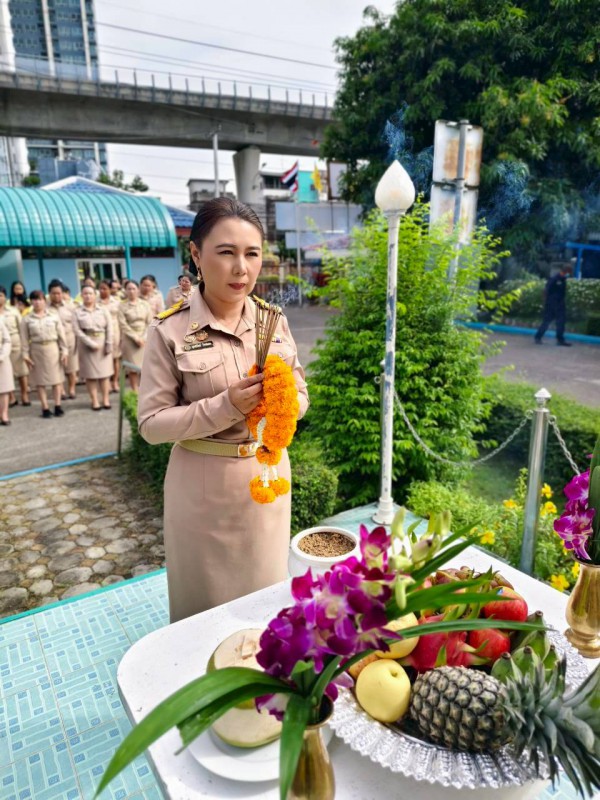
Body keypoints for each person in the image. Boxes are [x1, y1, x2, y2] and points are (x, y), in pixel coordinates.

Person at [138, 197, 309, 623]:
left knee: (266, 604)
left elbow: (302, 393)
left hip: (267, 480)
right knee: (205, 613)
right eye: (226, 252)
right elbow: (151, 425)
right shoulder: (170, 330)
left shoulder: (273, 321)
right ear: (196, 254)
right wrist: (226, 406)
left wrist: (285, 402)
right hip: (203, 490)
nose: (241, 268)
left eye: (252, 254)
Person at [20, 290, 68, 418]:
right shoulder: (26, 319)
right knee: (40, 381)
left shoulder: (53, 316)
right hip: (36, 350)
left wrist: (64, 351)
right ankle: (45, 407)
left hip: (52, 348)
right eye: (34, 300)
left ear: (44, 301)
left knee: (56, 380)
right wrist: (25, 355)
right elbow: (24, 340)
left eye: (39, 299)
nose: (37, 302)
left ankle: (58, 406)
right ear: (31, 302)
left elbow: (61, 336)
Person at [73, 285, 113, 410]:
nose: (88, 296)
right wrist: (90, 343)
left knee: (104, 374)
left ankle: (105, 399)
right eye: (85, 293)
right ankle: (94, 400)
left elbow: (110, 327)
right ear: (81, 295)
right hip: (86, 345)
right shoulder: (77, 311)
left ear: (95, 295)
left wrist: (108, 343)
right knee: (90, 376)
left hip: (102, 343)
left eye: (90, 293)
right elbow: (76, 330)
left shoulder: (103, 310)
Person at [118, 280, 153, 391]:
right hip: (129, 340)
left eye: (134, 288)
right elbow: (123, 324)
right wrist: (135, 337)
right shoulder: (122, 306)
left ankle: (145, 392)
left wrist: (143, 337)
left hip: (144, 338)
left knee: (145, 368)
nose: (131, 291)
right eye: (129, 289)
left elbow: (150, 322)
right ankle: (134, 392)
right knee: (132, 370)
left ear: (138, 290)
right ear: (125, 290)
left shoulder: (145, 304)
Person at [47, 280, 78, 399]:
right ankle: (61, 390)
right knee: (57, 367)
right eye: (54, 293)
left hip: (70, 338)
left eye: (59, 293)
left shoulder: (71, 307)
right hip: (54, 341)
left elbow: (76, 323)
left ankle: (72, 388)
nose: (57, 296)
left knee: (72, 367)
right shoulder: (46, 308)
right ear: (49, 293)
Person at [0, 285, 30, 406]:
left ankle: (24, 394)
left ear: (5, 297)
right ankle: (12, 397)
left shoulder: (13, 311)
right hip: (1, 347)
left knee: (22, 371)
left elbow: (21, 328)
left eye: (0, 295)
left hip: (15, 343)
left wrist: (24, 346)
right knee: (6, 373)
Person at [534, 263, 573, 346]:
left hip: (560, 304)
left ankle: (560, 339)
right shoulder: (555, 278)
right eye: (569, 272)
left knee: (561, 322)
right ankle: (538, 337)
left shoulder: (563, 279)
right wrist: (546, 302)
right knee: (547, 321)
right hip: (551, 304)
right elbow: (546, 290)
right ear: (566, 271)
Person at [99, 280, 122, 392]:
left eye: (105, 288)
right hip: (102, 333)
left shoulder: (117, 302)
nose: (102, 291)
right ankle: (106, 382)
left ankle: (115, 381)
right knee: (104, 358)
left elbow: (120, 318)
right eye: (101, 288)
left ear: (110, 289)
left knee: (115, 358)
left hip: (115, 332)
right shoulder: (96, 302)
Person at [0, 317, 14, 425]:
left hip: (2, 358)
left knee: (4, 388)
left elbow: (7, 340)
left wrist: (3, 355)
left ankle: (4, 414)